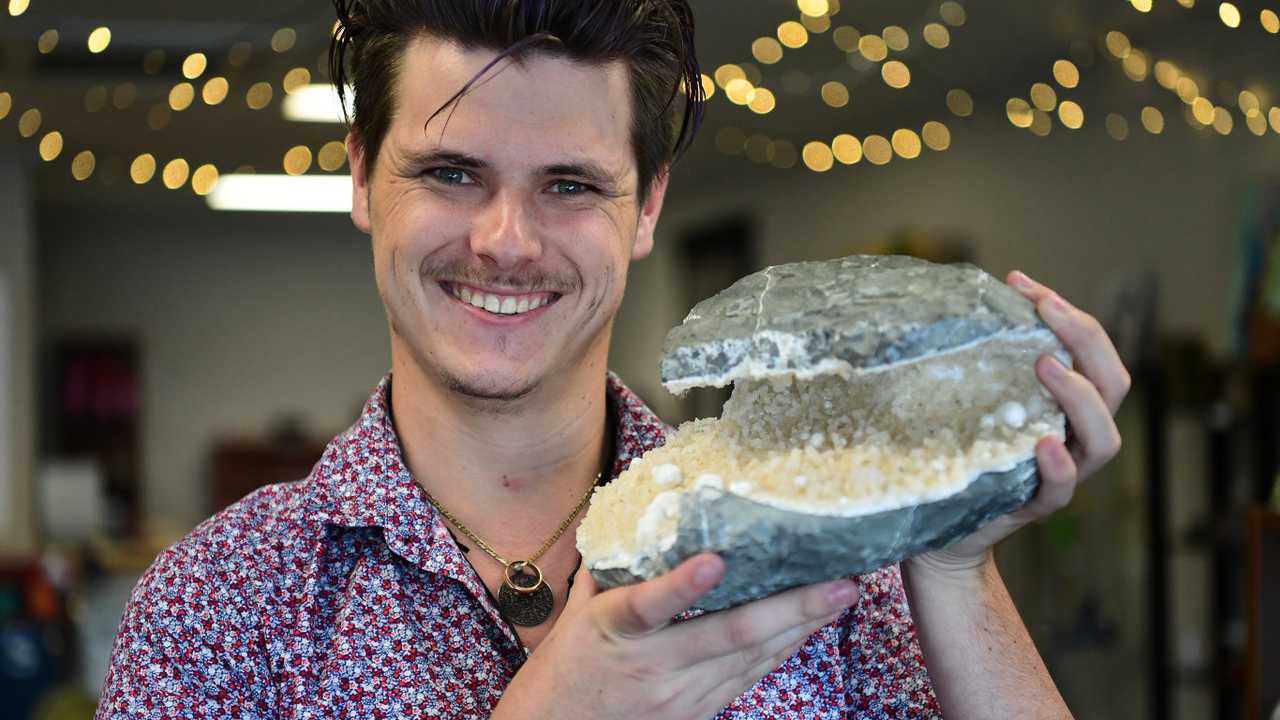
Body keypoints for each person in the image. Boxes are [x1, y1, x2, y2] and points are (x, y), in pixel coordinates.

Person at [95, 1, 1131, 718]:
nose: (506, 240)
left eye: (571, 185)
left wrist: (952, 562)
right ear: (363, 177)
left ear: (649, 207)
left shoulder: (830, 557)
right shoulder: (217, 607)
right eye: (451, 173)